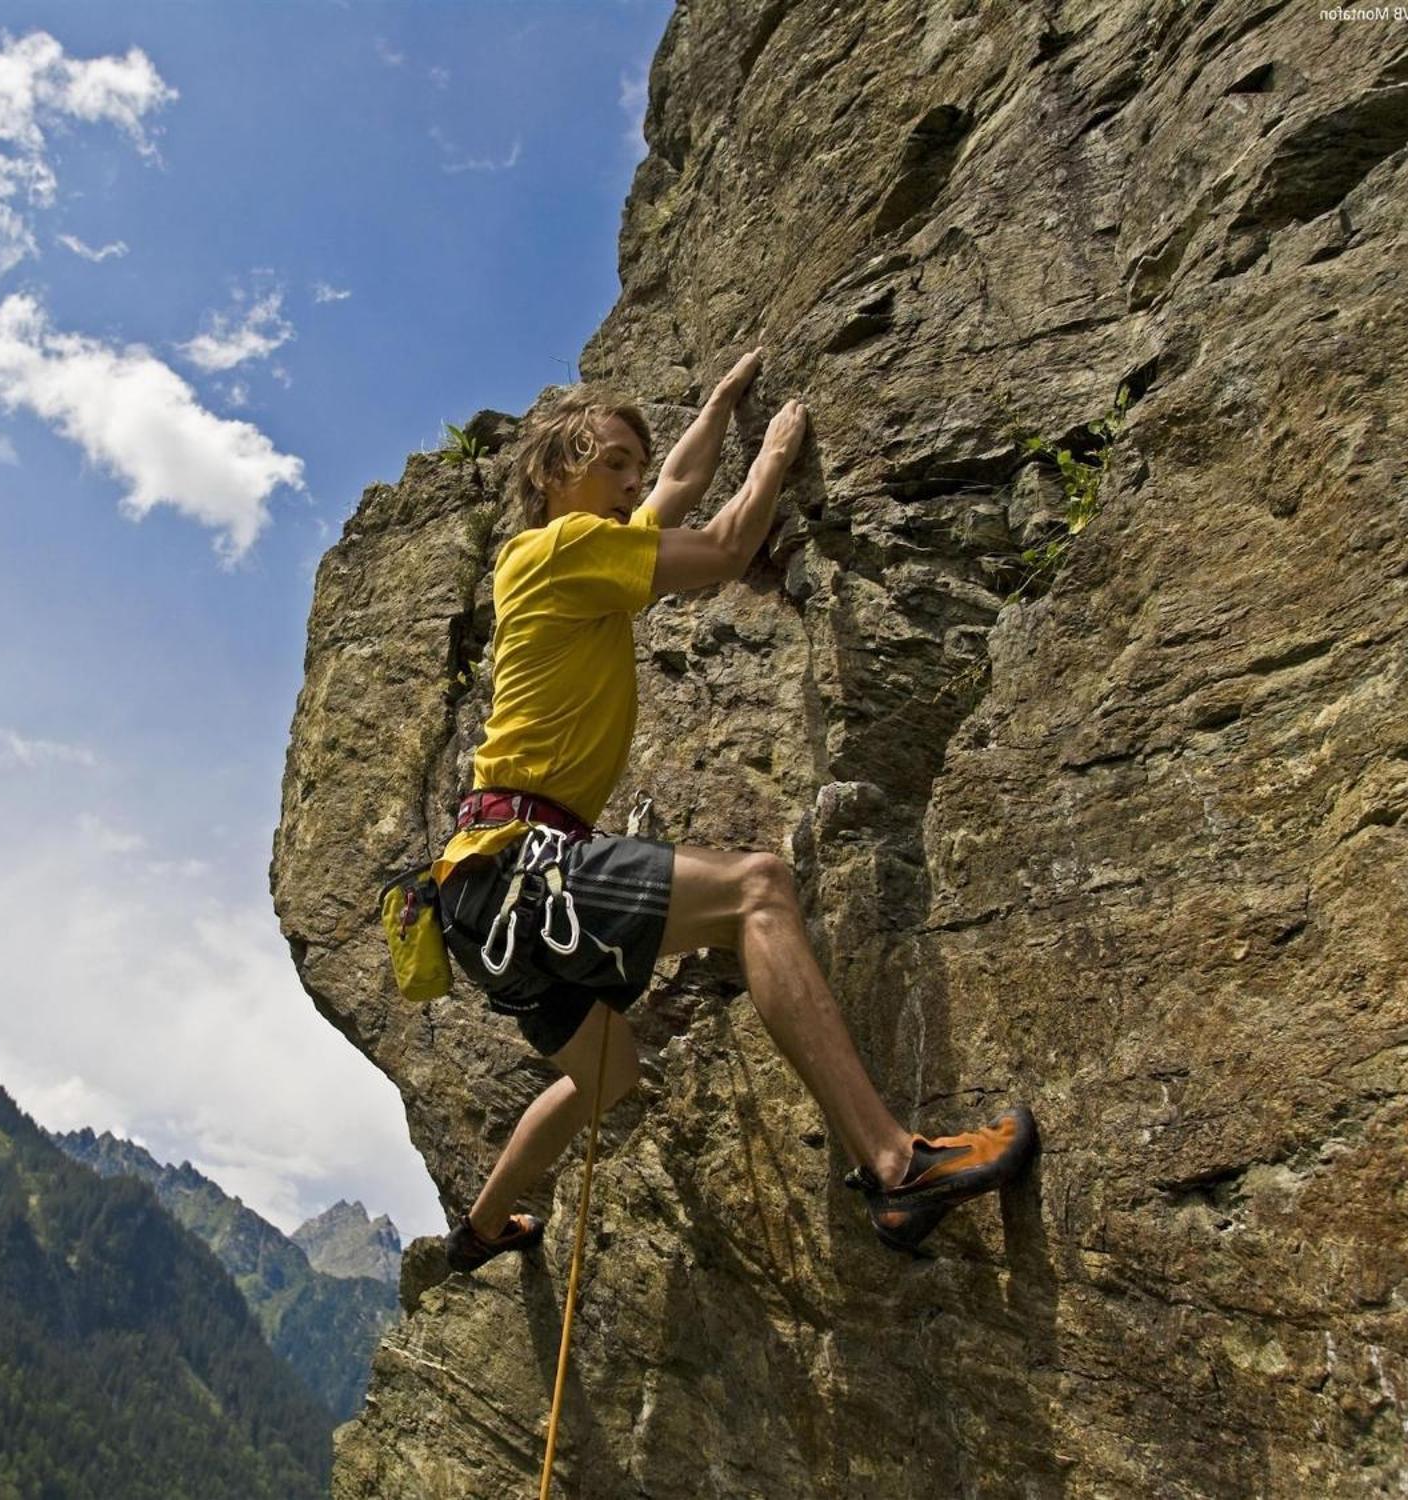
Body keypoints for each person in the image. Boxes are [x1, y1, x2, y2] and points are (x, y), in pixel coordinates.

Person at [434, 352, 1037, 1273]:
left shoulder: (568, 559)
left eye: (637, 463)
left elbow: (674, 489)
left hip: (483, 904)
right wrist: (778, 450)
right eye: (611, 463)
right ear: (554, 475)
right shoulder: (560, 549)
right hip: (526, 865)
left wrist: (719, 406)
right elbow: (718, 547)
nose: (633, 481)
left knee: (609, 1076)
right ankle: (895, 1166)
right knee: (759, 889)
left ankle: (481, 1229)